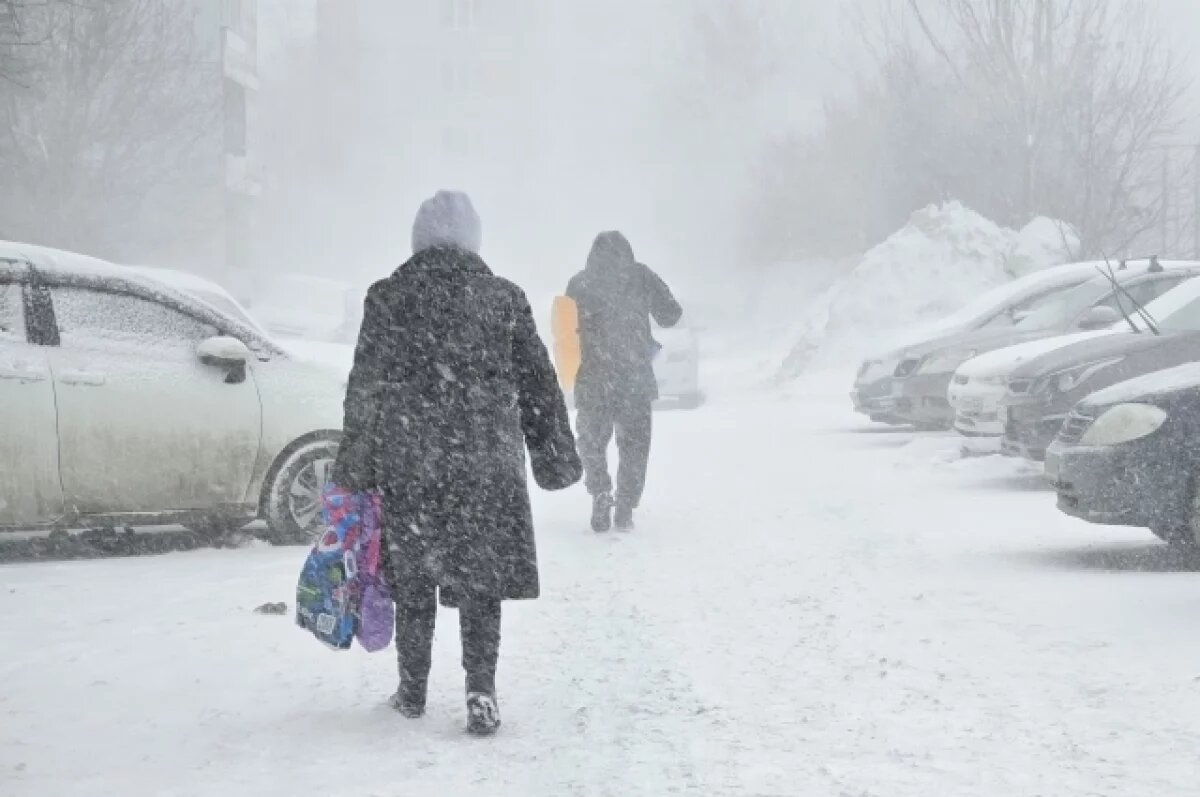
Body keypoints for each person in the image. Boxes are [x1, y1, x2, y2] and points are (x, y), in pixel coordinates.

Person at [333, 190, 581, 736]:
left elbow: (365, 388)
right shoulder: (503, 298)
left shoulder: (389, 297)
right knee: (480, 579)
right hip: (484, 461)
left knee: (414, 576)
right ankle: (480, 690)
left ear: (417, 239)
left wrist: (356, 464)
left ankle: (413, 690)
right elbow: (538, 384)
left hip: (412, 458)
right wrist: (553, 456)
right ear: (474, 240)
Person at [566, 231, 682, 532]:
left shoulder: (579, 283)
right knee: (635, 447)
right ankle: (626, 507)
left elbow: (565, 332)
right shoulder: (640, 275)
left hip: (593, 378)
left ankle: (601, 492)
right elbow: (671, 315)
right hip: (634, 378)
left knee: (591, 443)